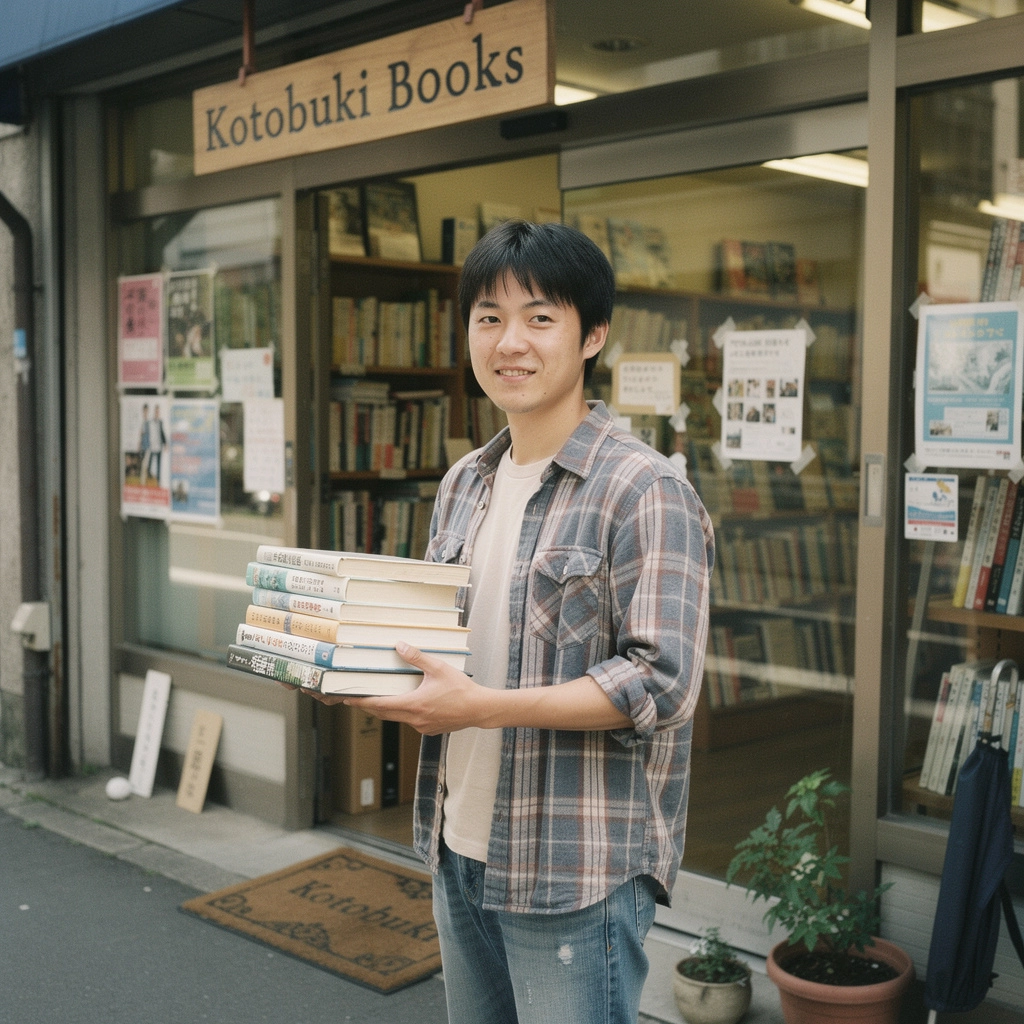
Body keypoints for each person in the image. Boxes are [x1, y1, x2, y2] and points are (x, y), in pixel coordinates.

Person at [331, 221, 714, 1024]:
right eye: (488, 316)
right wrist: (357, 668)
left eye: (540, 317)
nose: (511, 341)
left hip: (574, 866)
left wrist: (482, 707)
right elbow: (443, 645)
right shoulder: (464, 482)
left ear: (592, 336)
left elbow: (661, 683)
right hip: (455, 843)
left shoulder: (644, 488)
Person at [146, 404, 166, 484]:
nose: (157, 413)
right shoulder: (150, 422)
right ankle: (149, 476)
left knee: (158, 464)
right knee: (150, 462)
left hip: (159, 446)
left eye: (158, 412)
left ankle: (158, 480)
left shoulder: (160, 422)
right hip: (152, 445)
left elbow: (162, 433)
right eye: (156, 411)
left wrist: (165, 443)